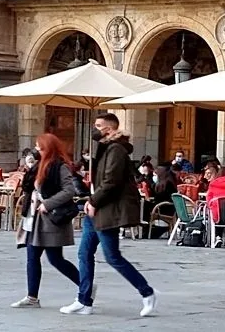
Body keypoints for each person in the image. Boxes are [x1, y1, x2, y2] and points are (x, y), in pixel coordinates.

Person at [63, 113, 156, 317]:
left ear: (110, 129)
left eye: (98, 125)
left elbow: (111, 182)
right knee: (84, 253)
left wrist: (94, 201)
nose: (94, 129)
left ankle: (147, 292)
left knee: (112, 256)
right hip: (95, 207)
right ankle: (84, 300)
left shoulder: (116, 150)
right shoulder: (106, 148)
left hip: (107, 209)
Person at [11, 135, 81, 309]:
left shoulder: (60, 166)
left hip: (51, 218)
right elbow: (29, 185)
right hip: (34, 217)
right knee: (32, 257)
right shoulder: (39, 165)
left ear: (49, 148)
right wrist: (29, 167)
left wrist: (47, 204)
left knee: (55, 258)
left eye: (40, 148)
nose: (37, 150)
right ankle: (32, 297)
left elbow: (69, 190)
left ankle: (85, 285)